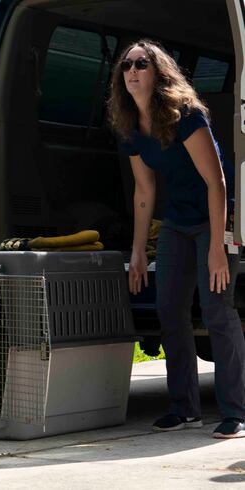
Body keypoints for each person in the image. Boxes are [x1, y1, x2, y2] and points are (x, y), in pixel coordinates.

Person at [111, 39, 245, 438]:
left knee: (216, 310)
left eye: (142, 64)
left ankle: (235, 411)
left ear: (159, 72)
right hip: (176, 223)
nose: (132, 71)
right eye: (126, 65)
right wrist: (137, 252)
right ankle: (184, 408)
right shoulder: (131, 127)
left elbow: (216, 181)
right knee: (170, 310)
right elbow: (144, 192)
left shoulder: (185, 116)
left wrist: (219, 247)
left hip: (214, 220)